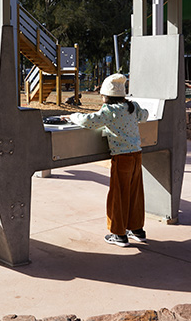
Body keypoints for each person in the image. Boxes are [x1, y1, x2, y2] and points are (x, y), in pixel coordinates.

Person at [64, 73, 149, 247]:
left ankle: (118, 234)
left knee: (118, 195)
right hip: (137, 155)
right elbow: (145, 115)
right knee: (135, 193)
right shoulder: (132, 107)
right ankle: (137, 230)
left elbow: (89, 121)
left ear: (107, 96)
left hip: (121, 157)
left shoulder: (109, 111)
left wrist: (72, 116)